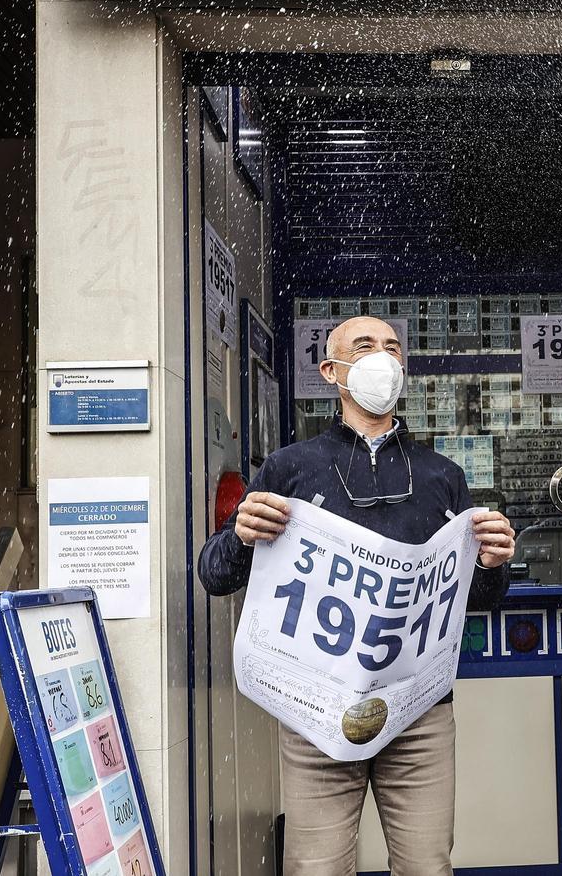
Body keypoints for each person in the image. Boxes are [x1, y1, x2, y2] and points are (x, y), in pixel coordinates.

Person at [198, 316, 515, 876]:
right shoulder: (289, 468)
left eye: (393, 348)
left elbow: (479, 601)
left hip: (418, 713)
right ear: (331, 371)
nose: (382, 358)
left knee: (427, 866)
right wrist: (242, 534)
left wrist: (493, 563)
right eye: (365, 347)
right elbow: (215, 575)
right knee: (315, 869)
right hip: (315, 710)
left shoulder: (443, 475)